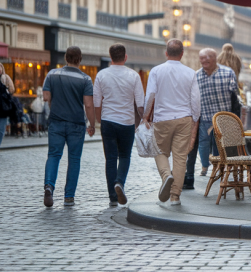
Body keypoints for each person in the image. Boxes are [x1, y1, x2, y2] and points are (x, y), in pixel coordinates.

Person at [142, 40, 201, 205]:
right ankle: (175, 196)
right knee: (181, 157)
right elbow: (195, 100)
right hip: (184, 119)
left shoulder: (156, 71)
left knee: (159, 151)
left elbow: (151, 95)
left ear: (166, 53)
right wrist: (195, 119)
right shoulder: (191, 73)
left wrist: (146, 116)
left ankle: (166, 175)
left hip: (163, 118)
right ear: (182, 54)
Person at [43, 46, 96, 207]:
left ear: (65, 58)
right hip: (76, 124)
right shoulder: (85, 79)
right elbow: (88, 104)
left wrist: (55, 106)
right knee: (74, 160)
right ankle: (69, 196)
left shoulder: (52, 74)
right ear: (80, 59)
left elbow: (46, 96)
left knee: (53, 155)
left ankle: (49, 186)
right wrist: (92, 124)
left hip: (56, 121)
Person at [93, 43, 144, 207]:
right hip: (126, 122)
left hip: (108, 121)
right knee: (124, 156)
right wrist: (144, 120)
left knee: (110, 159)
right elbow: (140, 104)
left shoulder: (101, 75)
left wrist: (99, 119)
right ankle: (119, 183)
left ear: (110, 57)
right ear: (125, 57)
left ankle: (112, 197)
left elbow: (96, 101)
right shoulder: (134, 76)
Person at [182, 47, 237, 190]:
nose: (204, 61)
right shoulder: (196, 76)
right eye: (202, 58)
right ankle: (204, 167)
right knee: (203, 144)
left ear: (215, 58)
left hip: (223, 119)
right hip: (205, 117)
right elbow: (191, 98)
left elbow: (235, 97)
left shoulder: (227, 72)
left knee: (220, 147)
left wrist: (236, 119)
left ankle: (219, 172)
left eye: (207, 58)